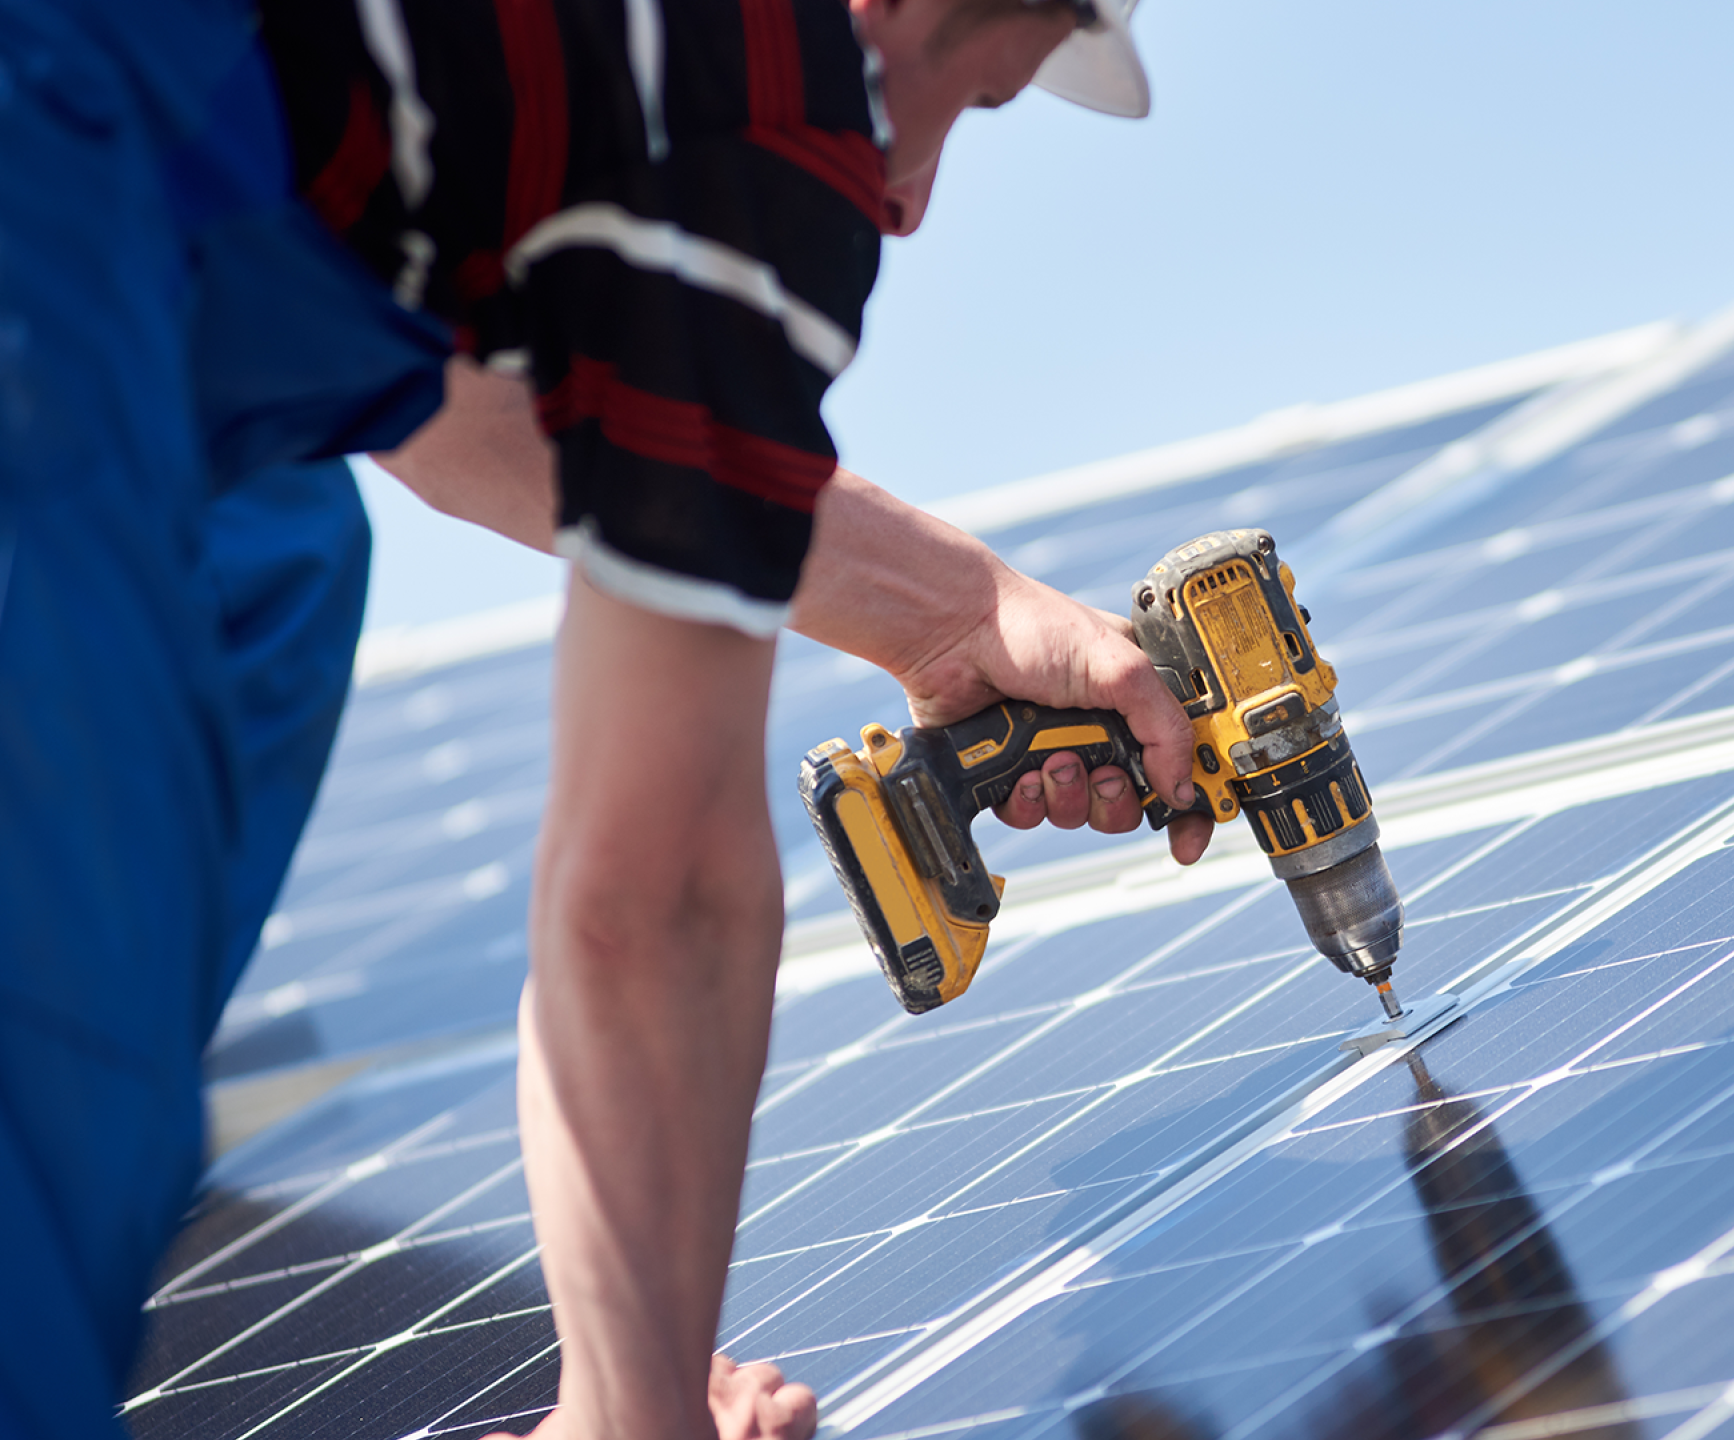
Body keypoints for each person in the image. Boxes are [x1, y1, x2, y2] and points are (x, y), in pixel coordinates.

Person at [0, 1, 1211, 1437]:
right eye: (966, 97)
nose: (906, 196)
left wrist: (947, 612)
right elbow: (656, 897)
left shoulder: (539, 72)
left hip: (127, 196)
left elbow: (451, 407)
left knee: (275, 553)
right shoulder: (766, 75)